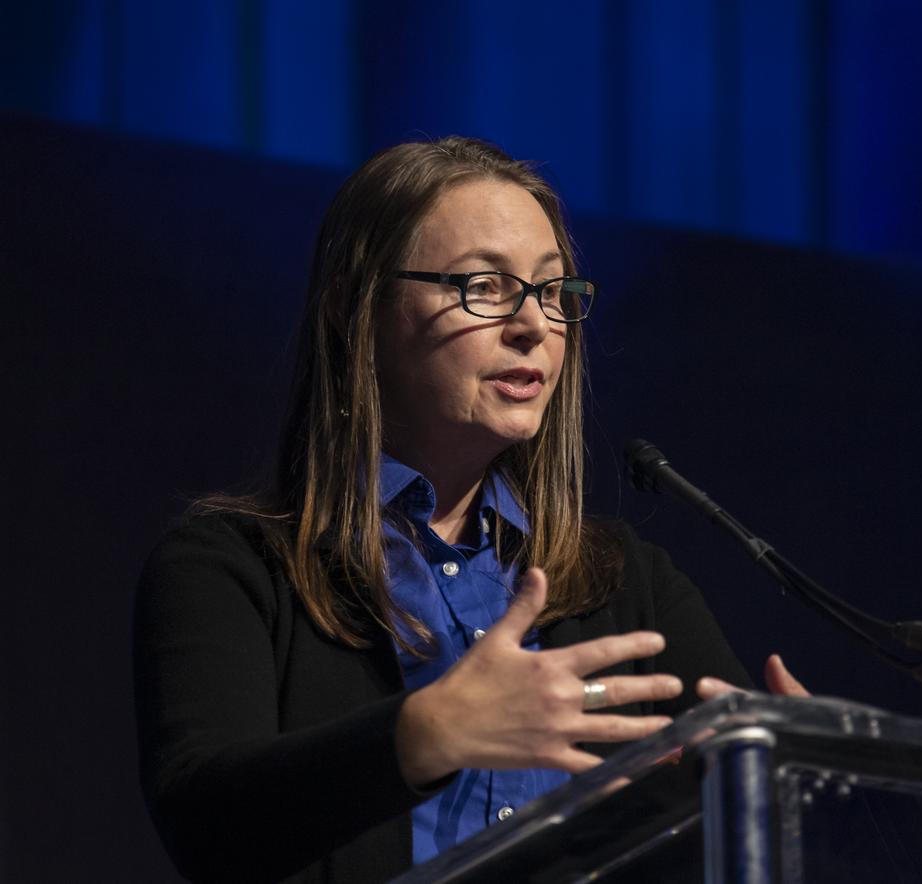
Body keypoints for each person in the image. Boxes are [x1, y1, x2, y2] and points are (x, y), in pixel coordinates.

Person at [134, 136, 806, 884]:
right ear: (354, 311)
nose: (535, 326)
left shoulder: (627, 583)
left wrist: (782, 768)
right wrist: (429, 732)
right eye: (484, 286)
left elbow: (719, 801)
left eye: (553, 292)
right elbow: (205, 823)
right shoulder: (232, 567)